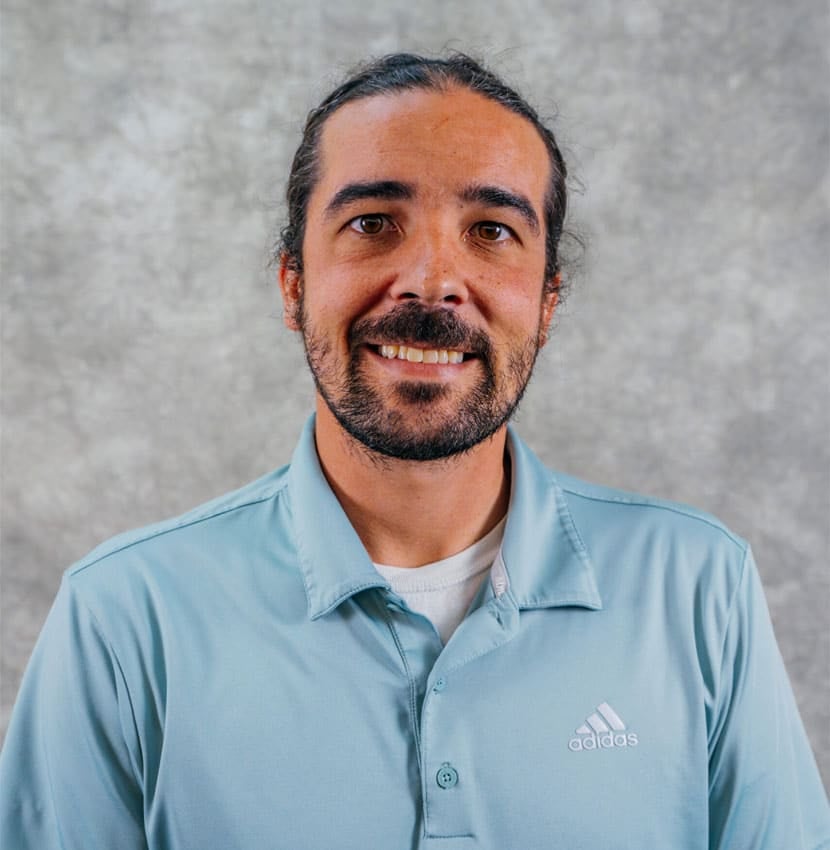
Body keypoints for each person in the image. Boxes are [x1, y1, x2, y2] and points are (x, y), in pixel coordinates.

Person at [1, 52, 827, 850]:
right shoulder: (124, 616)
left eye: (492, 230)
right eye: (371, 223)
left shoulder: (697, 587)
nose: (432, 281)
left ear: (547, 303)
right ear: (293, 284)